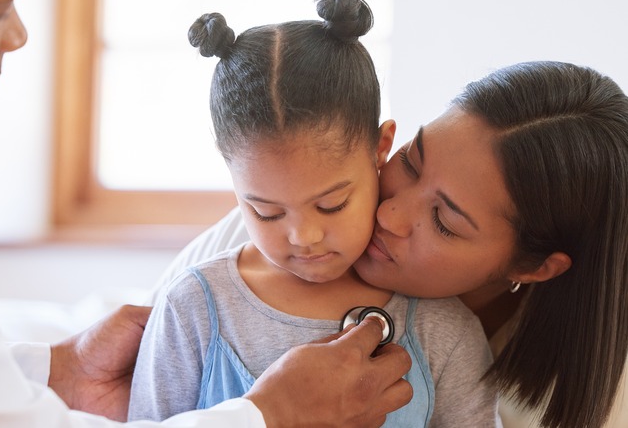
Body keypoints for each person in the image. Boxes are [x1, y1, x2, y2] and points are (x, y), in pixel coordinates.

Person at [0, 0, 414, 427]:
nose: (19, 35)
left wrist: (58, 370)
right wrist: (269, 414)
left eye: (333, 202)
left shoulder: (437, 321)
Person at [154, 60, 628, 428]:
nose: (387, 214)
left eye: (443, 222)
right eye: (411, 163)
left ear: (534, 267)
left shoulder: (594, 400)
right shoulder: (292, 225)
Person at [130, 0, 498, 426]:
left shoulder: (442, 332)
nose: (304, 236)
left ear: (381, 148)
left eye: (332, 204)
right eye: (266, 212)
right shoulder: (192, 309)